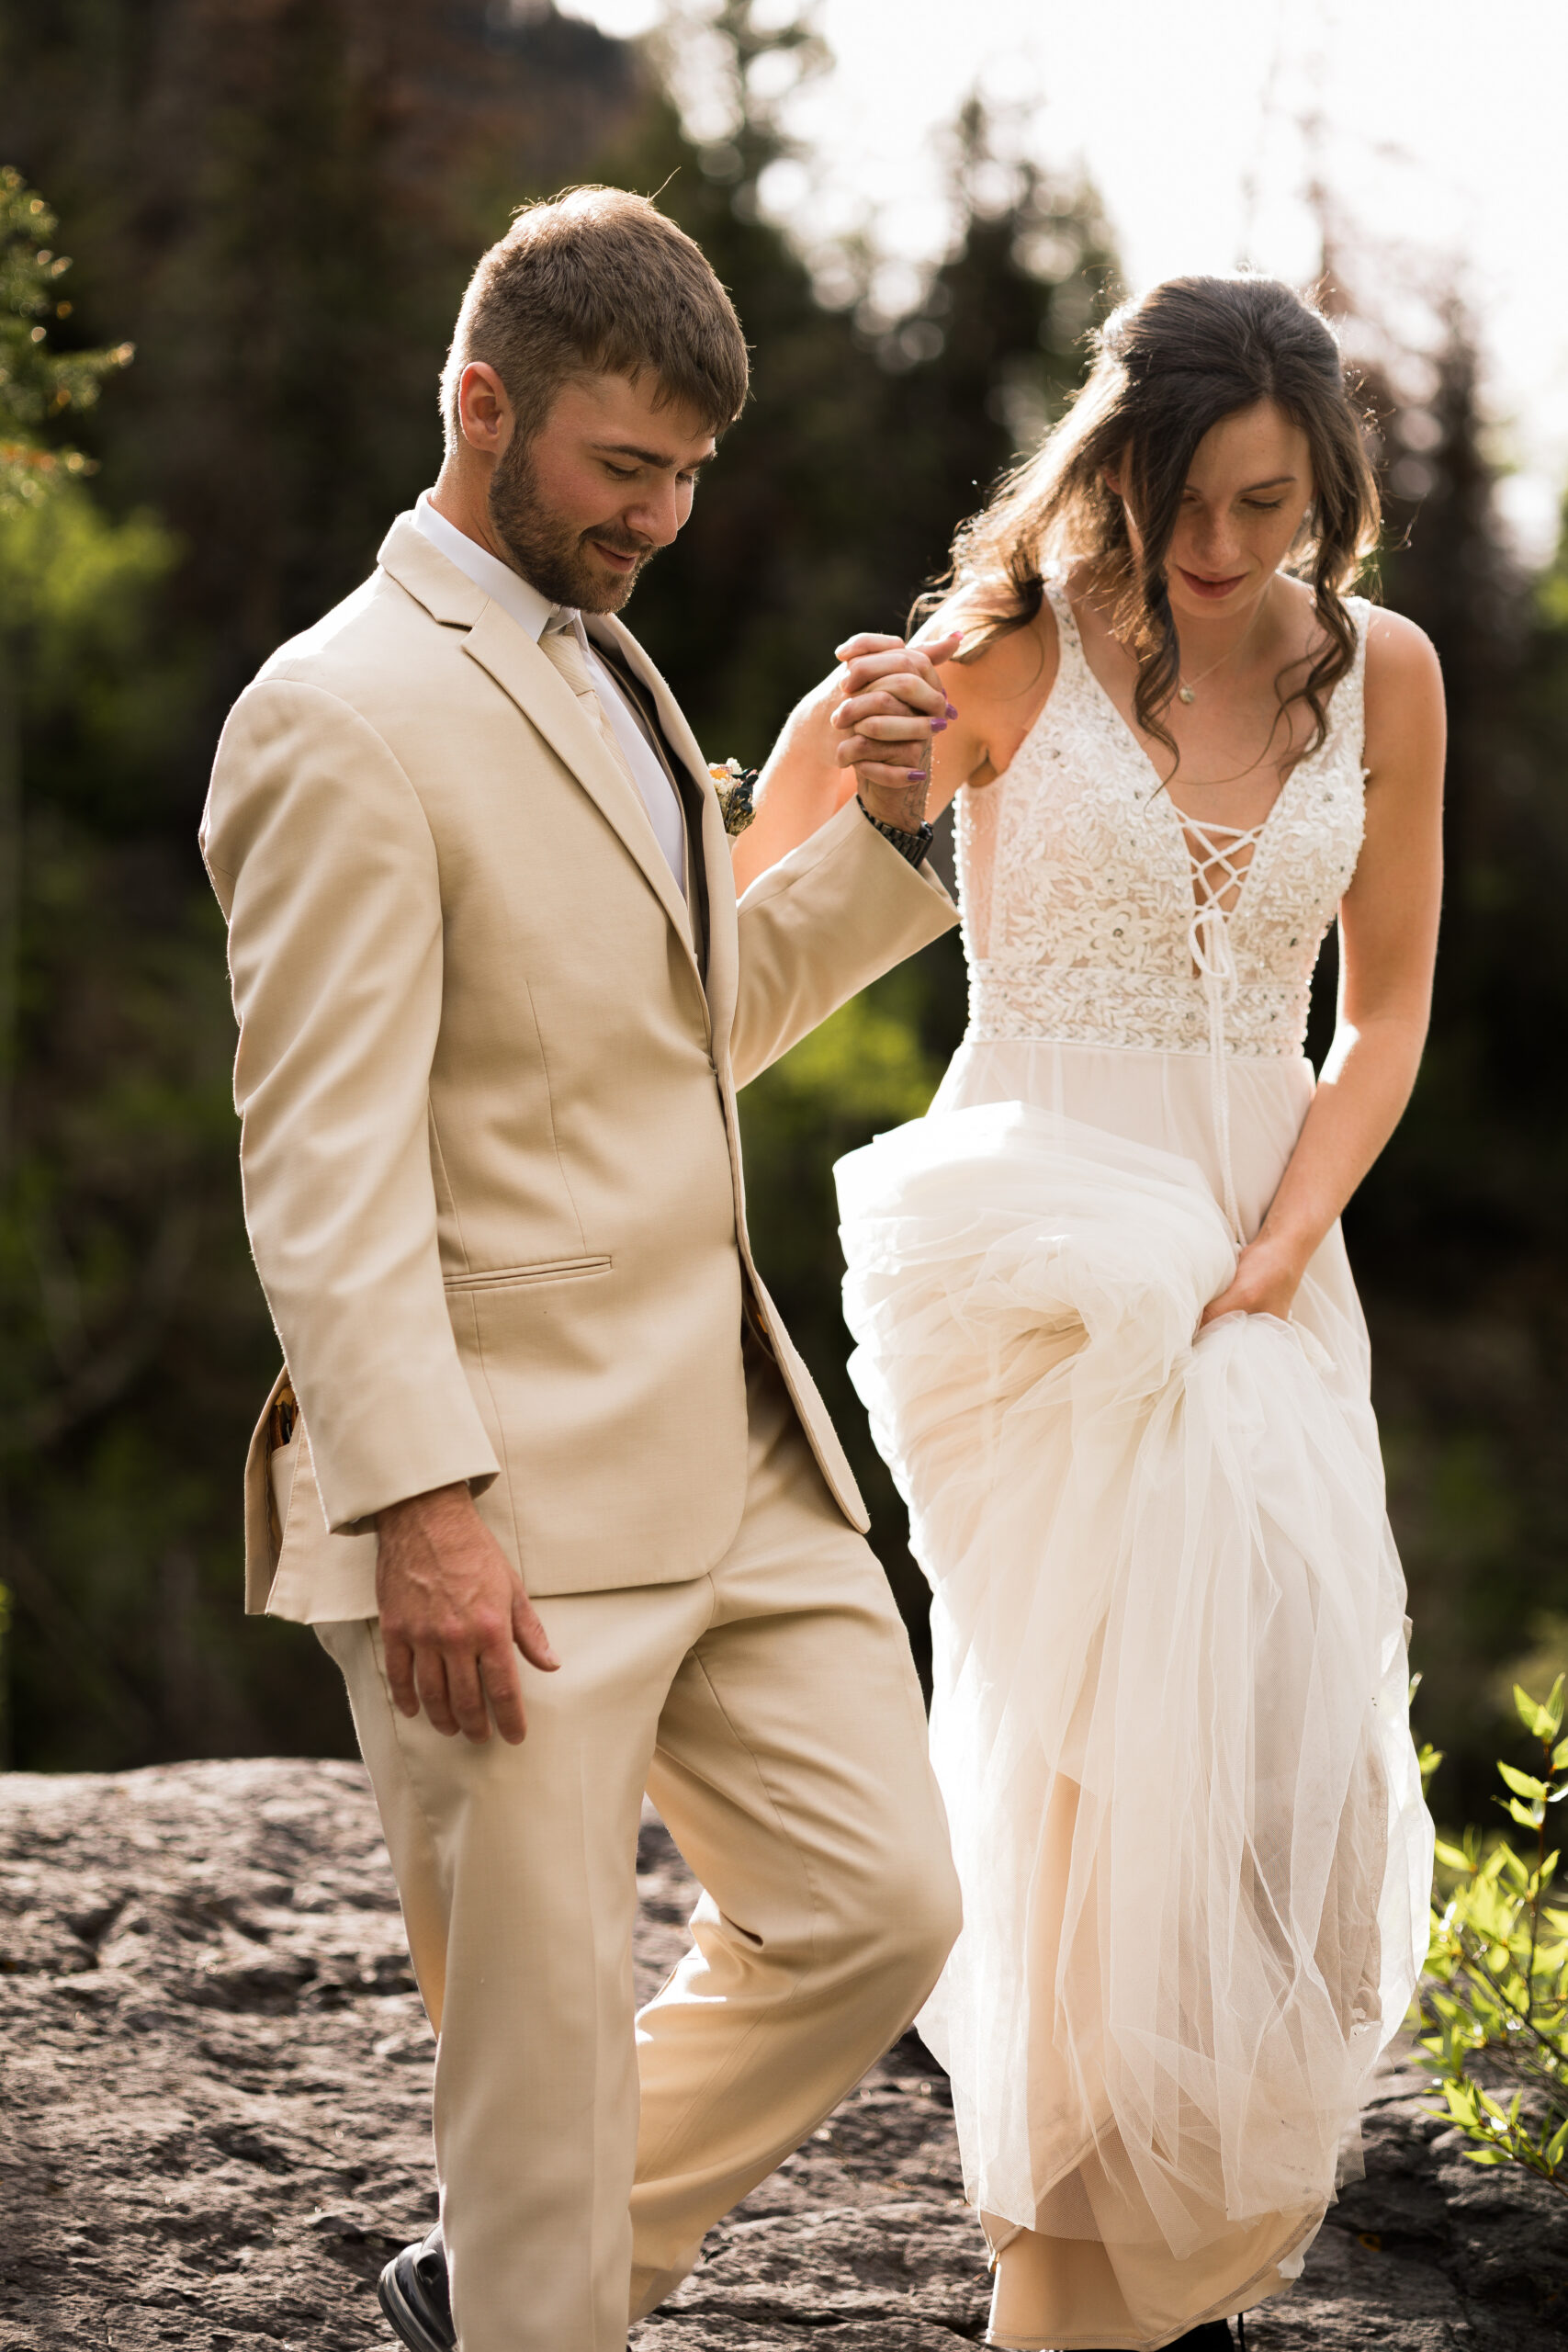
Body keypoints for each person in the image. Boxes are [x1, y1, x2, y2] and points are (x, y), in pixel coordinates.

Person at [200, 186, 967, 2352]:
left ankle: (513, 2262)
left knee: (880, 1908)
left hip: (733, 1446)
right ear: (481, 407)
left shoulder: (605, 653)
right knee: (526, 2087)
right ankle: (529, 2278)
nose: (662, 518)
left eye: (688, 475)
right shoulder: (332, 715)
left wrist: (881, 845)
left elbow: (670, 1034)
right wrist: (418, 1500)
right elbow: (319, 1157)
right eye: (623, 468)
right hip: (502, 1513)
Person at [738, 275, 1441, 2350]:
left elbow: (1380, 1007)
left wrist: (1278, 1242)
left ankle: (1174, 2259)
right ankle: (1068, 2288)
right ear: (1108, 474)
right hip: (1037, 1261)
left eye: (1260, 504)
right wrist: (816, 753)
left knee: (1269, 1769)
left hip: (1266, 1255)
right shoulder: (1002, 657)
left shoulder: (1378, 672)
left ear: (1323, 486)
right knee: (1075, 1782)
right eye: (1175, 502)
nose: (1216, 551)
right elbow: (736, 921)